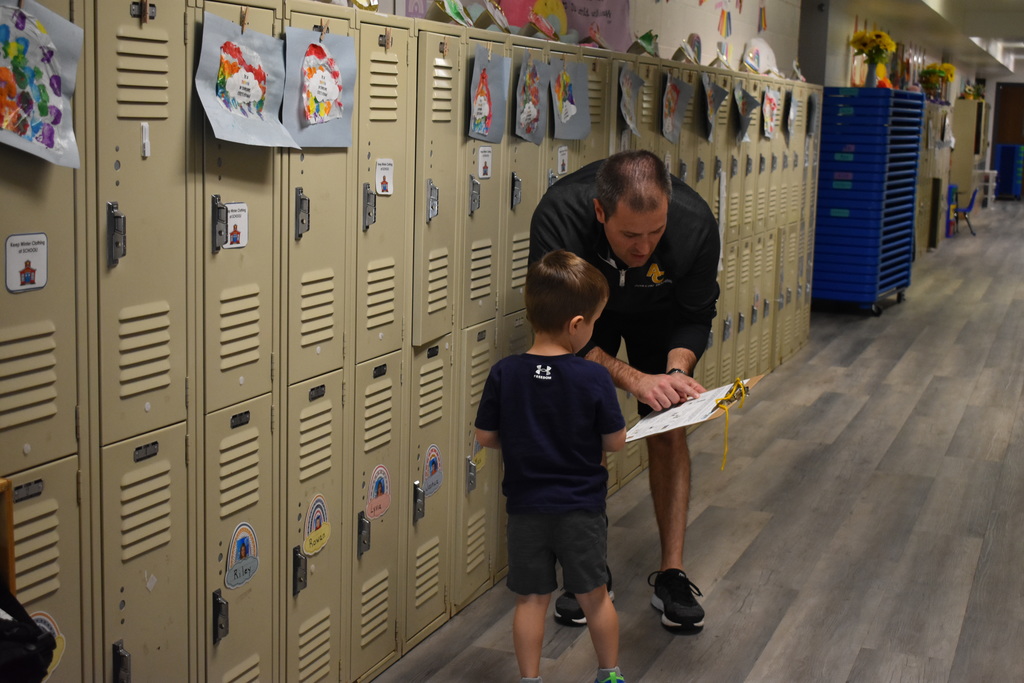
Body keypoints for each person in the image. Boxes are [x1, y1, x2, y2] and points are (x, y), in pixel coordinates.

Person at [529, 150, 720, 633]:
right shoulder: (561, 216)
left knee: (668, 426)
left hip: (659, 311)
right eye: (630, 235)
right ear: (600, 212)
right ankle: (588, 572)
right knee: (583, 427)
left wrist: (675, 372)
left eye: (655, 233)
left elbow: (695, 317)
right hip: (584, 312)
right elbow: (560, 330)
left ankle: (672, 574)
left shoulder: (695, 225)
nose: (644, 246)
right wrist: (634, 378)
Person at [475, 250, 627, 683]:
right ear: (577, 325)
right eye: (594, 322)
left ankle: (529, 679)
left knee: (531, 600)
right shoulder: (593, 378)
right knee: (595, 597)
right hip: (580, 510)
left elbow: (485, 437)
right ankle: (609, 675)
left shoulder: (505, 373)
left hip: (526, 509)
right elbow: (614, 441)